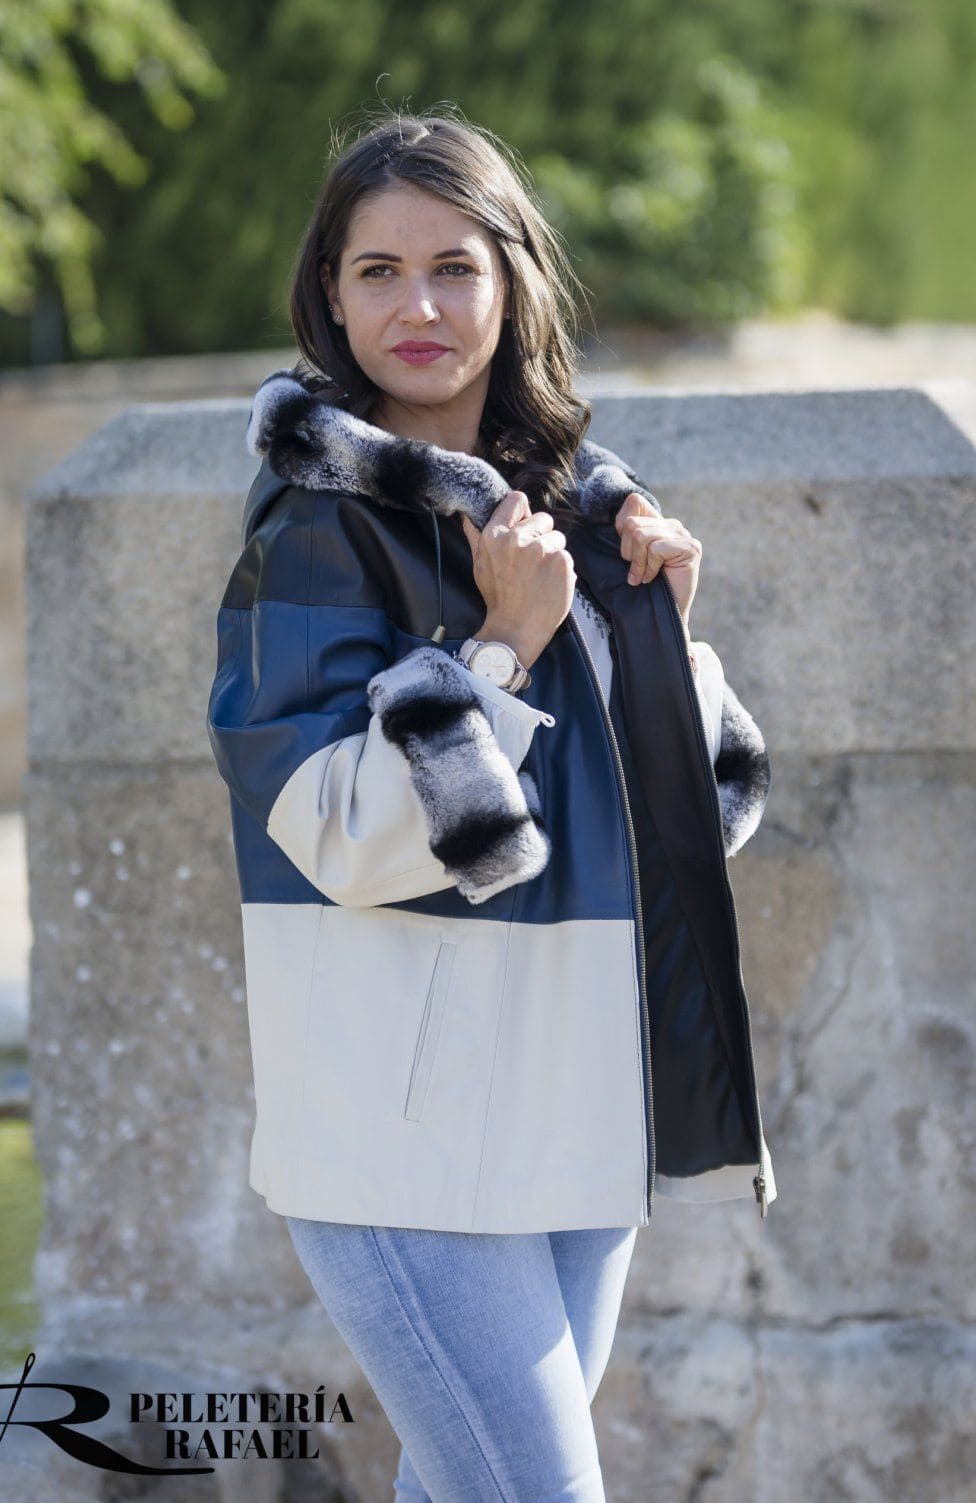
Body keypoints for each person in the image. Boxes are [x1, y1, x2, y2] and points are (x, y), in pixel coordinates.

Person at [206, 106, 777, 1503]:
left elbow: (698, 825)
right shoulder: (317, 531)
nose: (417, 305)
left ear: (513, 278)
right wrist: (503, 649)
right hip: (404, 1136)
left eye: (453, 266)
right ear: (329, 298)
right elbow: (345, 832)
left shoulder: (582, 514)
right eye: (377, 270)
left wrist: (665, 645)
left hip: (576, 1104)